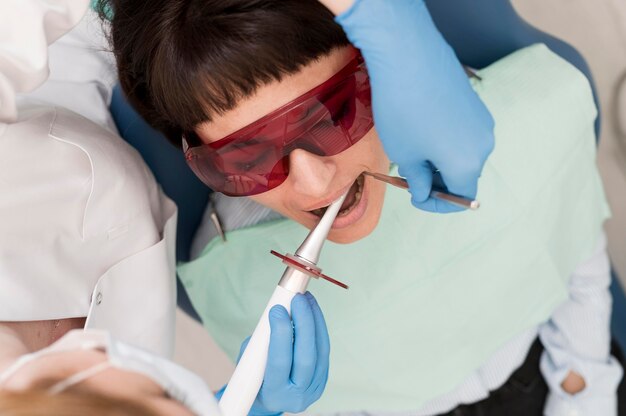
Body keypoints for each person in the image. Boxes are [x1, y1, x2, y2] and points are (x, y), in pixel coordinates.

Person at [100, 0, 625, 415]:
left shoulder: (510, 122)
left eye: (333, 113)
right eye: (247, 158)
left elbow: (575, 248)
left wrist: (583, 387)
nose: (312, 183)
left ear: (380, 63)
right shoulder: (228, 271)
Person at [0, 1, 329, 414]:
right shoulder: (95, 383)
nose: (168, 384)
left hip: (70, 60)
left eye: (162, 393)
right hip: (163, 169)